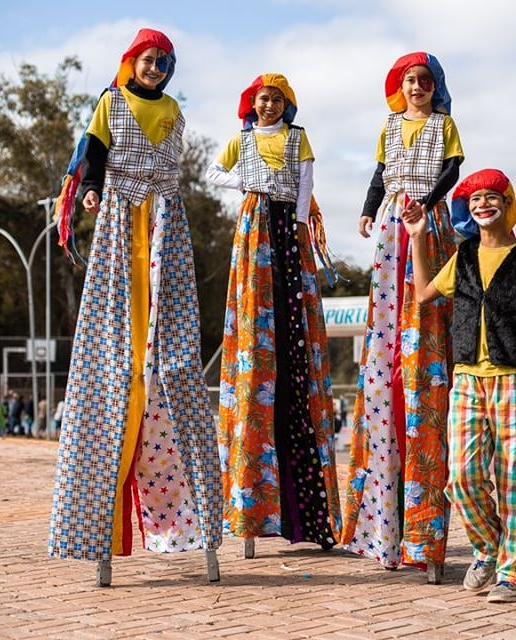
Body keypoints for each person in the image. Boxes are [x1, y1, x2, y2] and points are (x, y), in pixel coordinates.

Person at [48, 28, 222, 579]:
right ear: (132, 62)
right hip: (123, 219)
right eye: (149, 61)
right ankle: (97, 531)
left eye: (163, 63)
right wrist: (94, 190)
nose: (156, 69)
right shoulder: (111, 100)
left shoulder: (173, 110)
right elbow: (93, 151)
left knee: (170, 357)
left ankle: (197, 526)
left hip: (165, 223)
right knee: (118, 357)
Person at [405, 168, 516, 603]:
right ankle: (489, 548)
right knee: (462, 476)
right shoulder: (465, 254)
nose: (483, 204)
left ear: (508, 204)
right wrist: (417, 236)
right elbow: (423, 294)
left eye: (492, 196)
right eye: (475, 199)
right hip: (469, 380)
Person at [340, 51, 464, 577]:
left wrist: (425, 203)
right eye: (410, 80)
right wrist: (371, 209)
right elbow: (379, 175)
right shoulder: (390, 127)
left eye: (425, 81)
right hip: (393, 222)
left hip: (426, 222)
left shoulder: (444, 125)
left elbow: (454, 171)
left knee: (425, 298)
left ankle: (422, 340)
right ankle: (379, 532)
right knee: (387, 313)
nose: (418, 87)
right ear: (400, 87)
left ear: (436, 88)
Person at [206, 73, 340, 554]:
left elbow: (305, 187)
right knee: (257, 327)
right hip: (254, 226)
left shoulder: (298, 139)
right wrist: (245, 179)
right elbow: (213, 173)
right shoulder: (241, 141)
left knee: (294, 340)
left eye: (277, 98)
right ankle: (252, 511)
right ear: (252, 103)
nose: (269, 105)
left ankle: (309, 516)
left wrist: (301, 229)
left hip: (287, 230)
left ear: (287, 104)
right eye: (263, 98)